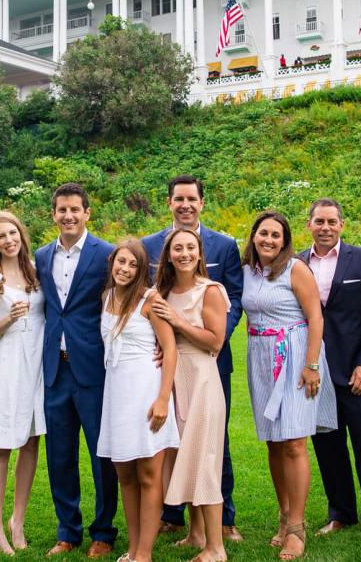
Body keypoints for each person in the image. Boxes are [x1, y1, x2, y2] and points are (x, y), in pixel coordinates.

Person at [140, 175, 243, 542]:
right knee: (176, 443)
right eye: (178, 198)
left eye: (191, 199)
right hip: (167, 369)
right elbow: (145, 307)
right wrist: (160, 342)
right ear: (169, 202)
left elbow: (234, 301)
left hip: (206, 364)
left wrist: (204, 340)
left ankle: (224, 521)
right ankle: (182, 522)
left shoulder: (225, 246)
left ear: (201, 202)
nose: (185, 204)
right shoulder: (148, 246)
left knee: (213, 446)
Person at [296, 199, 361, 553]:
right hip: (316, 371)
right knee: (328, 448)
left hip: (357, 371)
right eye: (319, 221)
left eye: (332, 221)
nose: (325, 227)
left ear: (342, 224)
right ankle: (341, 512)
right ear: (308, 225)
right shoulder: (297, 262)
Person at [241, 211, 335, 561]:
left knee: (295, 442)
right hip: (260, 358)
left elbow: (315, 318)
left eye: (275, 235)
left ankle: (297, 527)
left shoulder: (296, 269)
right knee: (274, 443)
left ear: (285, 241)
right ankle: (283, 516)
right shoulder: (247, 271)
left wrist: (311, 365)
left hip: (295, 357)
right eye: (263, 233)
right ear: (253, 236)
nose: (268, 240)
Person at [35, 182, 118, 558]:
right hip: (55, 369)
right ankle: (68, 530)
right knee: (60, 455)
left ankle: (103, 531)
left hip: (94, 368)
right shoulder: (40, 256)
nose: (68, 216)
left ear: (87, 213)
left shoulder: (107, 254)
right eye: (61, 210)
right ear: (53, 214)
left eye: (75, 210)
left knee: (102, 454)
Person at [97, 239, 180, 562]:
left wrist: (163, 399)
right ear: (112, 262)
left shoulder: (150, 300)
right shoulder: (106, 297)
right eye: (122, 262)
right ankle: (132, 550)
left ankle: (144, 553)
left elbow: (169, 349)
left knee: (148, 474)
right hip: (117, 395)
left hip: (147, 391)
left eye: (133, 265)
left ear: (142, 269)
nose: (126, 269)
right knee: (126, 476)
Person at [151, 228, 229, 562]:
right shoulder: (161, 291)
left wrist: (179, 322)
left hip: (201, 381)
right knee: (186, 455)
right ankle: (195, 534)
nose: (184, 253)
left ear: (200, 254)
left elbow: (215, 342)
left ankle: (217, 547)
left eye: (191, 248)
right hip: (172, 381)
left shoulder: (209, 290)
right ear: (168, 255)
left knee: (206, 460)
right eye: (177, 248)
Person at [0, 211, 46, 556]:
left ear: (21, 235)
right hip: (9, 363)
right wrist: (9, 319)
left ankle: (17, 520)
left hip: (38, 365)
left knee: (32, 442)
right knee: (3, 443)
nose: (9, 240)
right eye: (1, 236)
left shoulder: (36, 268)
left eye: (13, 234)